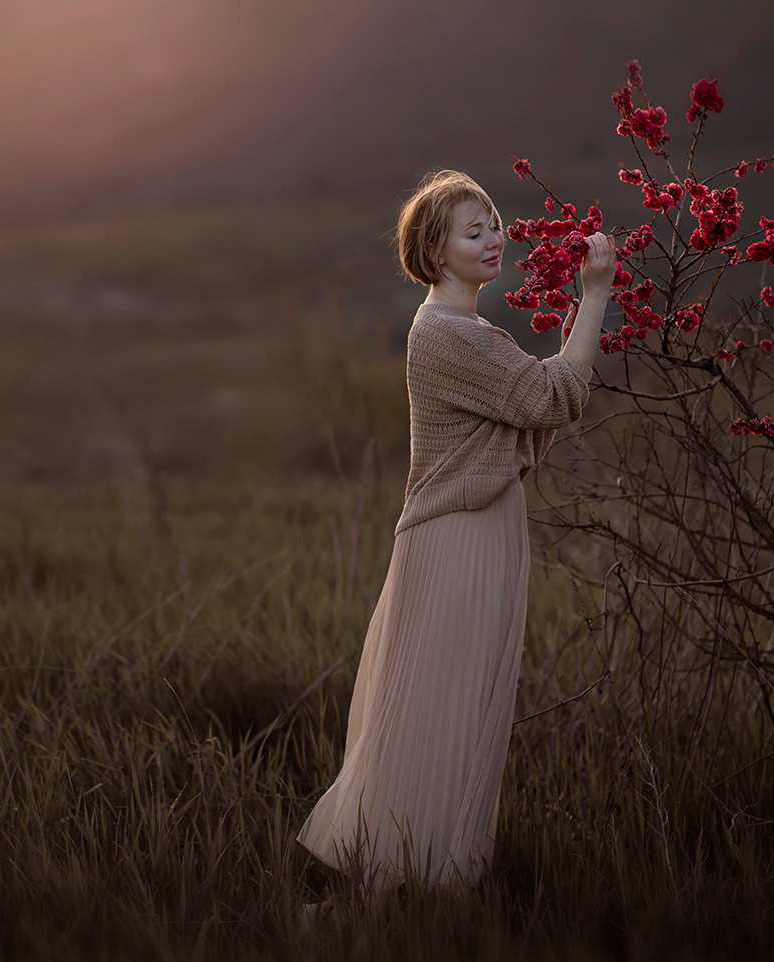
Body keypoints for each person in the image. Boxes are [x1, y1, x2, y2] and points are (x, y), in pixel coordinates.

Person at [295, 169, 616, 916]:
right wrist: (593, 294)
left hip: (480, 531)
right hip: (457, 543)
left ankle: (430, 890)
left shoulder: (466, 332)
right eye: (475, 232)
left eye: (495, 223)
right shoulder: (444, 334)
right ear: (435, 254)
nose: (495, 237)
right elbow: (552, 396)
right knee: (435, 720)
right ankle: (385, 900)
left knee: (462, 717)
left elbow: (531, 397)